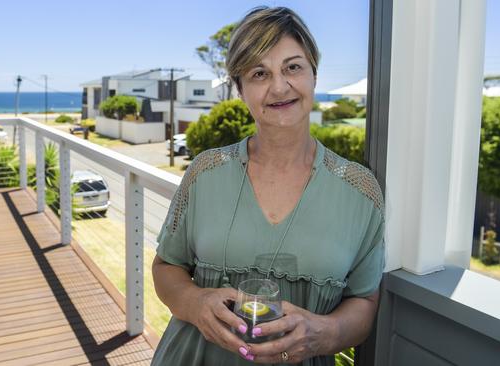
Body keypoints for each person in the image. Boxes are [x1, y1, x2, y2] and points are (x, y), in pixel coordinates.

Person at [151, 6, 385, 366]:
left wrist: (326, 333)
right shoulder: (205, 173)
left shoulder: (360, 191)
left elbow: (365, 302)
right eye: (260, 73)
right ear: (241, 90)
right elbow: (166, 267)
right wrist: (195, 304)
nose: (279, 86)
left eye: (293, 67)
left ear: (313, 76)